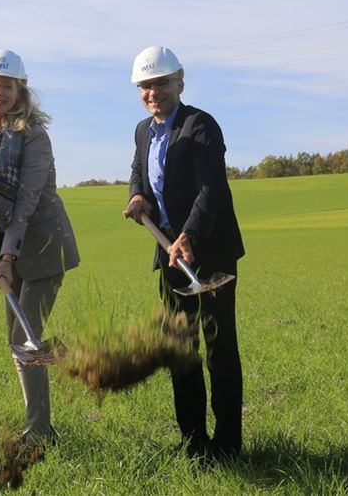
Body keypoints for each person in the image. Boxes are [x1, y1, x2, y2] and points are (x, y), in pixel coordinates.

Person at [122, 46, 245, 460]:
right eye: (145, 86)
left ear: (179, 83)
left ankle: (227, 443)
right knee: (180, 348)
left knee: (218, 348)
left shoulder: (201, 125)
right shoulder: (143, 130)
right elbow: (139, 170)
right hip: (168, 256)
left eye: (160, 83)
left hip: (210, 255)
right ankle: (193, 441)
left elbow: (212, 189)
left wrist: (190, 234)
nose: (152, 92)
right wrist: (137, 194)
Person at [0, 49, 79, 446]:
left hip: (42, 248)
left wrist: (6, 258)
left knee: (27, 338)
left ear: (20, 90)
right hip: (12, 247)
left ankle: (40, 429)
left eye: (6, 85)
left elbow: (24, 203)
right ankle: (39, 423)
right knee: (19, 339)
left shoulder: (33, 136)